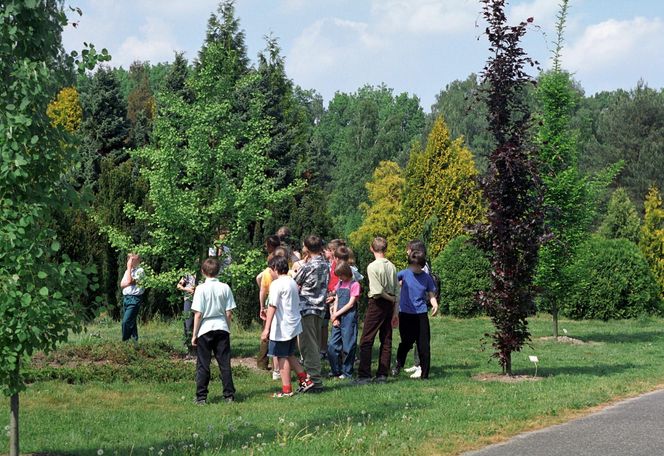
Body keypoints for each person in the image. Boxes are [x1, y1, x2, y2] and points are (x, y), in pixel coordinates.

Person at [261, 256, 315, 397]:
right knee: (290, 354)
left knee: (281, 356)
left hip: (282, 326)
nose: (270, 273)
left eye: (270, 270)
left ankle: (286, 390)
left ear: (275, 269)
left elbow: (272, 306)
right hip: (293, 323)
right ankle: (305, 380)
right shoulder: (292, 281)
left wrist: (266, 329)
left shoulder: (276, 284)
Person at [191, 257, 236, 404]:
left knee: (203, 364)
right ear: (218, 271)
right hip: (221, 326)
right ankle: (229, 395)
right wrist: (227, 328)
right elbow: (229, 313)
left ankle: (201, 396)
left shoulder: (200, 289)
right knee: (224, 363)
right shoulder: (225, 287)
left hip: (205, 328)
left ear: (203, 271)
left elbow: (198, 314)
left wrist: (194, 334)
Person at [355, 237, 399, 385]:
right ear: (385, 249)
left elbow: (378, 290)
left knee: (366, 339)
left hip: (378, 303)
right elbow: (396, 291)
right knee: (386, 338)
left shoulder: (372, 266)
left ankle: (364, 375)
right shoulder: (392, 266)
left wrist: (390, 300)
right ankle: (382, 374)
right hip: (390, 304)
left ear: (371, 249)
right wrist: (395, 311)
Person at [392, 250, 439, 379]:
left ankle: (425, 374)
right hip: (405, 313)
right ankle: (398, 364)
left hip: (421, 314)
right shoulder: (404, 274)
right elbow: (392, 282)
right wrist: (397, 286)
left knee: (423, 345)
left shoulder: (427, 278)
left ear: (421, 265)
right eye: (411, 265)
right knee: (407, 342)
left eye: (415, 265)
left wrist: (434, 304)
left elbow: (431, 294)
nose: (413, 267)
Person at [293, 235, 330, 392]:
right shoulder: (326, 264)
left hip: (307, 308)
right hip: (320, 307)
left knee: (309, 345)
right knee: (314, 342)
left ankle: (314, 380)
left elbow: (295, 282)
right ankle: (312, 377)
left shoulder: (307, 267)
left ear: (306, 248)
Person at [403, 239, 435, 378]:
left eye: (408, 249)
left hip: (419, 311)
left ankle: (421, 367)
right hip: (409, 311)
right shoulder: (407, 270)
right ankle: (417, 365)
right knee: (413, 339)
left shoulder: (423, 269)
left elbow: (428, 289)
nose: (406, 251)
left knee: (422, 341)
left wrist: (434, 302)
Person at [326, 261, 359, 379]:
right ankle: (336, 370)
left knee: (348, 346)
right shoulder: (339, 284)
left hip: (349, 318)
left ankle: (347, 372)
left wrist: (336, 314)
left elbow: (350, 304)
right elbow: (337, 300)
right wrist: (334, 315)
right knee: (332, 345)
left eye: (341, 275)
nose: (340, 278)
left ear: (346, 273)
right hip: (339, 316)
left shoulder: (354, 285)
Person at [256, 235, 283, 373]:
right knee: (278, 334)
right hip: (282, 303)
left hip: (270, 301)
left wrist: (262, 305)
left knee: (267, 333)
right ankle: (276, 365)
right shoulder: (285, 271)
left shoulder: (267, 272)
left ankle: (262, 361)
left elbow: (259, 280)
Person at [322, 239, 345, 359]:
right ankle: (336, 351)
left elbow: (339, 282)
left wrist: (333, 295)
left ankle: (340, 352)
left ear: (333, 252)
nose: (325, 252)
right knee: (334, 322)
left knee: (336, 323)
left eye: (328, 250)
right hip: (331, 294)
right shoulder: (332, 264)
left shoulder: (338, 265)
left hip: (335, 296)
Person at [120, 253, 145, 342]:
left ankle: (125, 341)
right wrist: (129, 280)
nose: (131, 262)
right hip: (126, 298)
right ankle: (134, 342)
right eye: (130, 259)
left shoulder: (140, 271)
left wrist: (129, 268)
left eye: (133, 259)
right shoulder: (127, 272)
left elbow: (130, 281)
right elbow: (122, 285)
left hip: (134, 299)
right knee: (132, 322)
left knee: (126, 321)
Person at [177, 270, 197, 356]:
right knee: (187, 323)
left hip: (201, 300)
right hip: (188, 299)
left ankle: (199, 349)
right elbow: (178, 285)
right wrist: (186, 289)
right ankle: (189, 348)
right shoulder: (187, 274)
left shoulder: (204, 274)